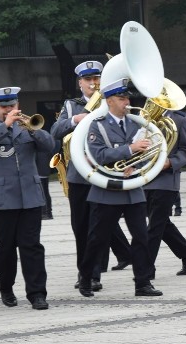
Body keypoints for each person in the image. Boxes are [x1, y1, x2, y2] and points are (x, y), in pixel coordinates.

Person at [49, 60, 132, 290]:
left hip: (106, 172)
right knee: (81, 228)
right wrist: (75, 119)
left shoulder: (110, 103)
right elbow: (55, 131)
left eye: (96, 79)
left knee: (101, 228)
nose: (93, 83)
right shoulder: (72, 105)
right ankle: (84, 273)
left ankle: (95, 275)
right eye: (88, 80)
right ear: (80, 83)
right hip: (79, 175)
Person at [77, 78, 162, 297]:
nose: (126, 102)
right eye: (121, 98)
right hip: (107, 191)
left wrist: (136, 165)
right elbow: (99, 155)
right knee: (97, 239)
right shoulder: (98, 124)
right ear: (109, 100)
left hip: (132, 189)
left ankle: (142, 283)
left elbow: (149, 150)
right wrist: (129, 150)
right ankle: (86, 278)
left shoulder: (137, 123)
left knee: (141, 237)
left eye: (127, 98)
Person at [0, 86, 54, 310]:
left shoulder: (27, 126)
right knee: (5, 247)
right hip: (2, 198)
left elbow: (49, 146)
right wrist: (6, 124)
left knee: (32, 246)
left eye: (12, 105)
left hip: (29, 195)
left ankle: (37, 293)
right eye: (4, 106)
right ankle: (6, 287)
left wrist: (34, 130)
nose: (9, 109)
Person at [144, 103, 186, 278]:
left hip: (166, 180)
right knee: (162, 225)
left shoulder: (179, 118)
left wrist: (170, 163)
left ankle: (146, 269)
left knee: (154, 227)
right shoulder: (144, 118)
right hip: (146, 179)